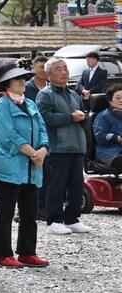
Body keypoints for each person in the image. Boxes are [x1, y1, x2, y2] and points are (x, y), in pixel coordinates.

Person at [0, 64, 50, 269]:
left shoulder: (30, 103)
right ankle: (3, 254)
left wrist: (44, 149)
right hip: (9, 165)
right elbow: (8, 136)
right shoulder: (1, 106)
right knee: (6, 209)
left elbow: (42, 130)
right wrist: (33, 152)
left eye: (23, 78)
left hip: (32, 164)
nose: (22, 81)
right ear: (6, 83)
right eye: (17, 79)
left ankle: (27, 252)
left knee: (29, 210)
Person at [36, 57, 92, 236]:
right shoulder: (45, 94)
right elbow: (45, 118)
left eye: (65, 68)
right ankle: (54, 220)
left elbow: (83, 116)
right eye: (58, 69)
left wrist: (83, 117)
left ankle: (72, 218)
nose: (64, 72)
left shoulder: (74, 94)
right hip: (58, 147)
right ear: (48, 74)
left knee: (77, 185)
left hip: (77, 145)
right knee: (56, 185)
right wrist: (70, 117)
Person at [93, 84, 122, 172]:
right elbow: (100, 135)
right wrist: (118, 138)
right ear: (110, 100)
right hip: (109, 153)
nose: (121, 100)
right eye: (117, 97)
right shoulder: (103, 116)